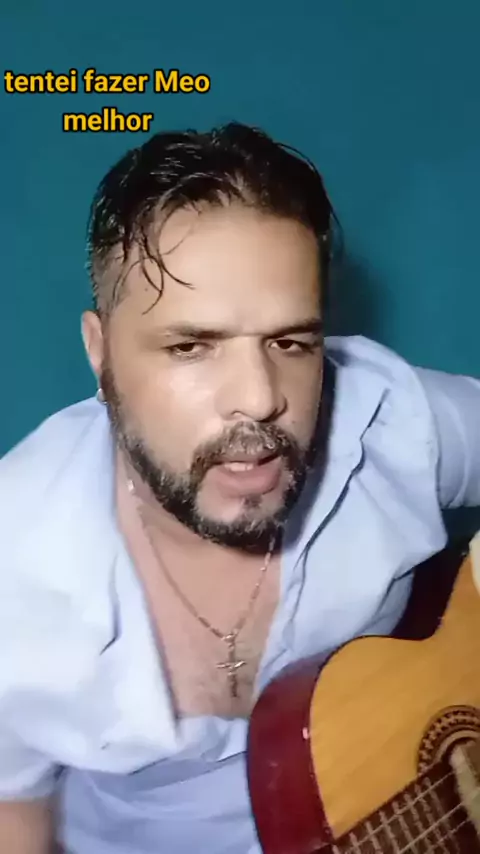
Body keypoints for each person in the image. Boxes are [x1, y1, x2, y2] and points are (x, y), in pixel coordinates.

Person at [1, 122, 479, 854]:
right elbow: (12, 810)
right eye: (192, 346)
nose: (260, 398)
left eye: (290, 343)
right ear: (101, 353)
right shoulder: (15, 573)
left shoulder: (389, 421)